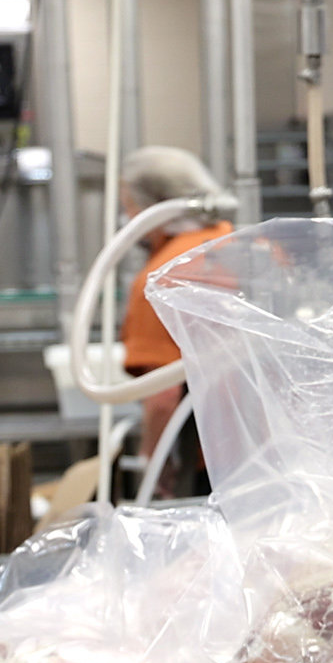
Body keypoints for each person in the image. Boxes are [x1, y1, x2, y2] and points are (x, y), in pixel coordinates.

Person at [114, 144, 233, 490]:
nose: (127, 219)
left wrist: (155, 459)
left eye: (129, 206)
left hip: (215, 461)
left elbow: (163, 394)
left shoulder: (163, 276)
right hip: (276, 449)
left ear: (155, 207)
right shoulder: (233, 243)